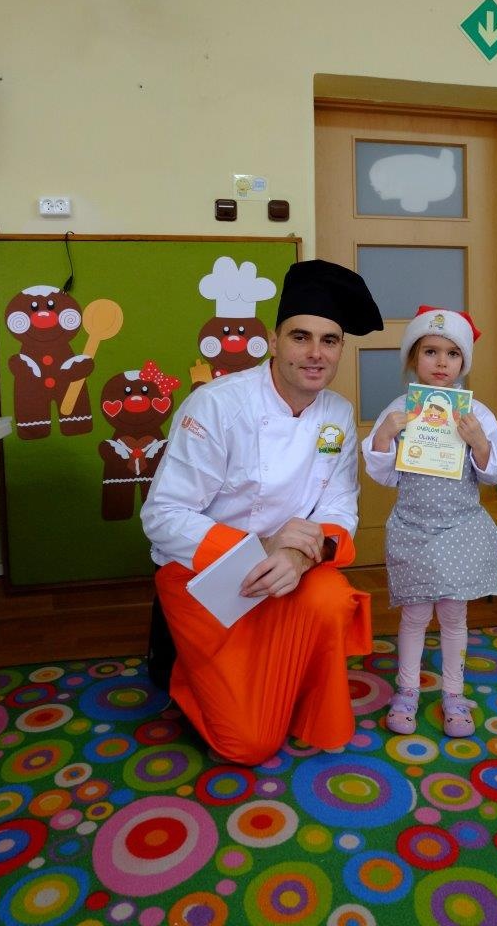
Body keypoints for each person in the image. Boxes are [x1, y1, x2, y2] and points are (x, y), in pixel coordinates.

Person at [141, 259, 383, 764]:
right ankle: (182, 667)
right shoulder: (217, 405)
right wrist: (262, 548)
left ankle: (282, 684)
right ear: (273, 342)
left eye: (330, 340)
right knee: (248, 744)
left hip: (289, 570)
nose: (315, 353)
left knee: (331, 599)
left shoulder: (337, 413)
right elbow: (163, 515)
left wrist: (299, 556)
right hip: (207, 573)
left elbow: (339, 505)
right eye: (300, 337)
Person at [362, 306, 497, 738]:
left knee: (453, 616)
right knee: (413, 616)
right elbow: (385, 475)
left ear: (464, 362)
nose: (442, 362)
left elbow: (495, 472)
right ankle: (407, 691)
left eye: (452, 353)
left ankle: (453, 694)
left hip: (460, 528)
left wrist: (479, 443)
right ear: (413, 358)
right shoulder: (399, 410)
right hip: (412, 528)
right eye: (430, 351)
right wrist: (385, 435)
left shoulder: (476, 414)